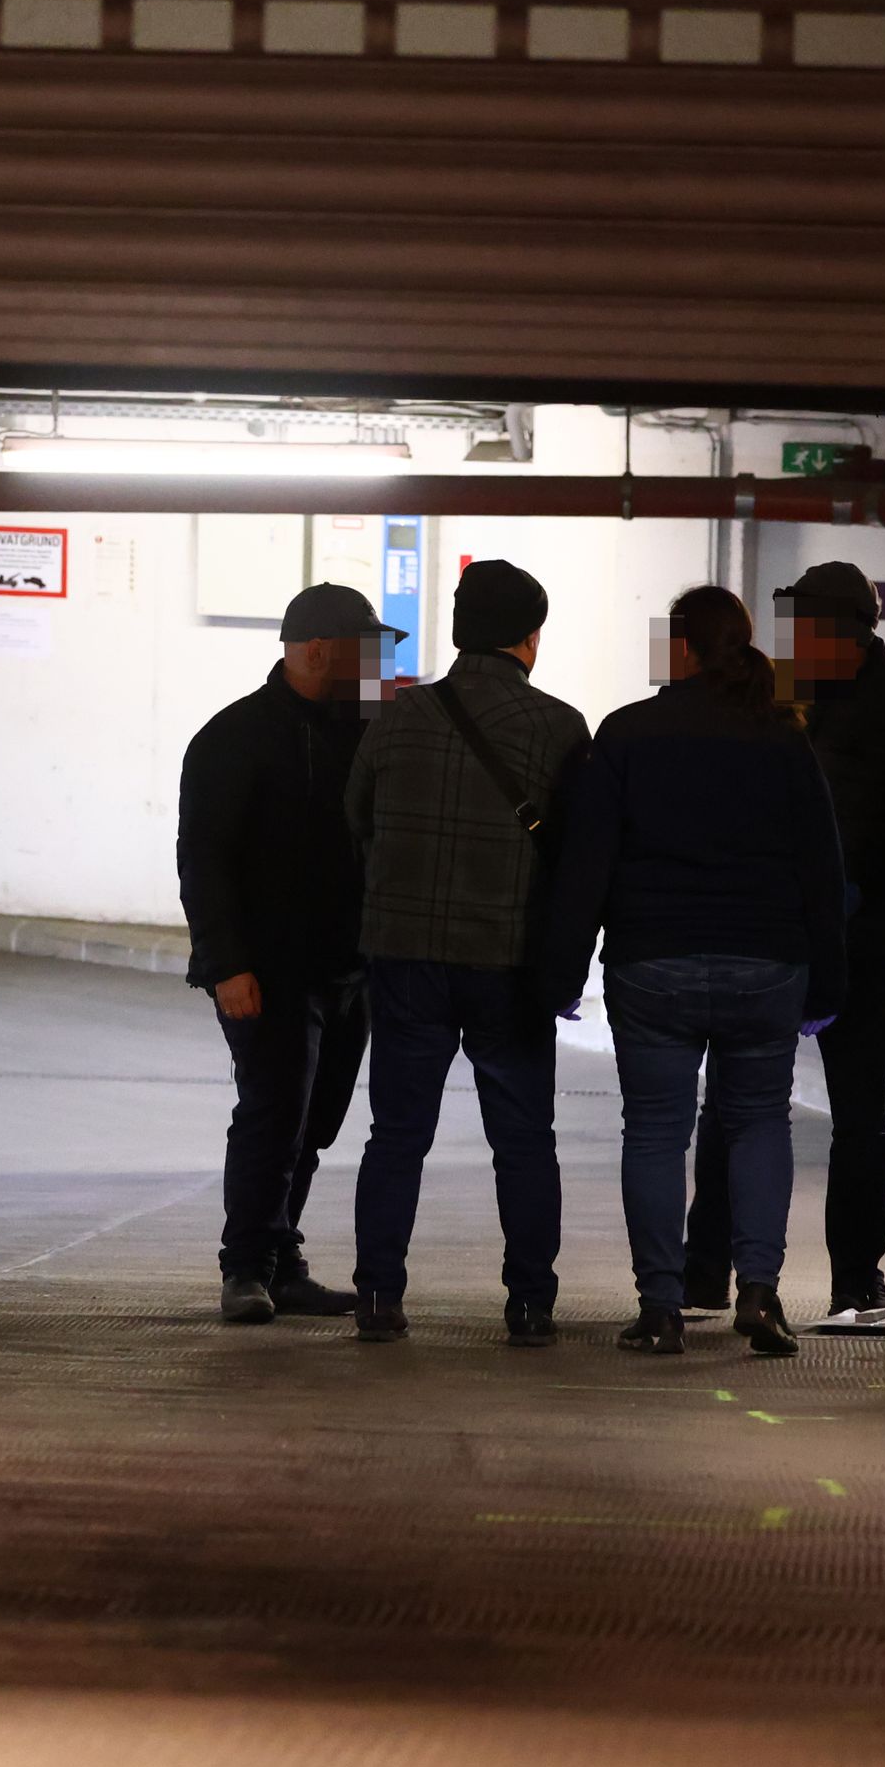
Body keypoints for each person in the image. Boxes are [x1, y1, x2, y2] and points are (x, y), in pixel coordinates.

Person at [535, 587, 847, 1358]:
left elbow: (588, 864)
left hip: (653, 963)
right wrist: (829, 982)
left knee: (653, 1131)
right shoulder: (784, 737)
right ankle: (761, 1295)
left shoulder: (626, 733)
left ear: (681, 649)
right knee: (759, 1122)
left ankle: (661, 1309)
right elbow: (821, 866)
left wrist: (563, 971)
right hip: (766, 963)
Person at [682, 561, 885, 1332]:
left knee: (860, 1117)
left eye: (803, 629)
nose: (789, 642)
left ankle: (857, 1283)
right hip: (767, 937)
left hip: (860, 944)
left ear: (847, 635)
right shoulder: (771, 699)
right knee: (731, 1105)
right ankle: (706, 1268)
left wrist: (869, 886)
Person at [342, 559, 589, 1347]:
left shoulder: (396, 716)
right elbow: (579, 856)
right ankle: (531, 1303)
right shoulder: (559, 726)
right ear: (530, 638)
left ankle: (377, 1296)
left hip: (404, 955)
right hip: (508, 958)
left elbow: (357, 818)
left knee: (396, 1133)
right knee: (523, 1140)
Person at [176, 580, 392, 1323]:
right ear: (318, 652)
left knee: (316, 1123)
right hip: (268, 970)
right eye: (367, 652)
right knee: (274, 1114)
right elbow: (203, 859)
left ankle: (280, 1260)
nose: (378, 667)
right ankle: (246, 1268)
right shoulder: (232, 737)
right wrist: (226, 964)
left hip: (351, 966)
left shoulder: (368, 731)